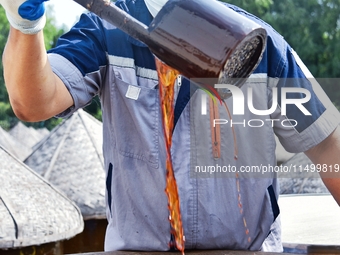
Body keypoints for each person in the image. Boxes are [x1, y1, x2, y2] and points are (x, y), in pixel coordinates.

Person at [2, 0, 340, 252]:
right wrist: (25, 24)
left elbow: (328, 144)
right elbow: (33, 102)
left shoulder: (262, 49)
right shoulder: (103, 34)